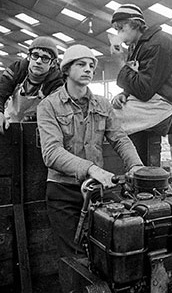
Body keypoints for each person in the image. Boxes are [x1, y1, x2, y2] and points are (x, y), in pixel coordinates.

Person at [36, 44, 144, 259]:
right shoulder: (49, 106)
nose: (88, 69)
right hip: (63, 192)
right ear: (66, 69)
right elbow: (51, 152)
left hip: (96, 193)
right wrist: (92, 169)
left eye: (91, 66)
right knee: (74, 258)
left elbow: (120, 139)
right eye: (81, 64)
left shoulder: (102, 105)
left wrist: (137, 167)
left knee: (104, 253)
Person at [109, 4, 172, 167]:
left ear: (135, 23)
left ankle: (130, 168)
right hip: (147, 101)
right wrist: (125, 93)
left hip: (158, 104)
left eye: (122, 28)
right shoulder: (137, 46)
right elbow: (138, 80)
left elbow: (144, 89)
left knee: (108, 120)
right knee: (108, 114)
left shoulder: (158, 44)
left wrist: (119, 62)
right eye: (117, 30)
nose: (119, 34)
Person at [0, 36, 64, 134]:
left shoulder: (57, 82)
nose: (38, 61)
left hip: (41, 130)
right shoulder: (17, 70)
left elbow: (59, 110)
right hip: (11, 125)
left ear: (53, 63)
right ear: (29, 56)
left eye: (45, 58)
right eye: (35, 55)